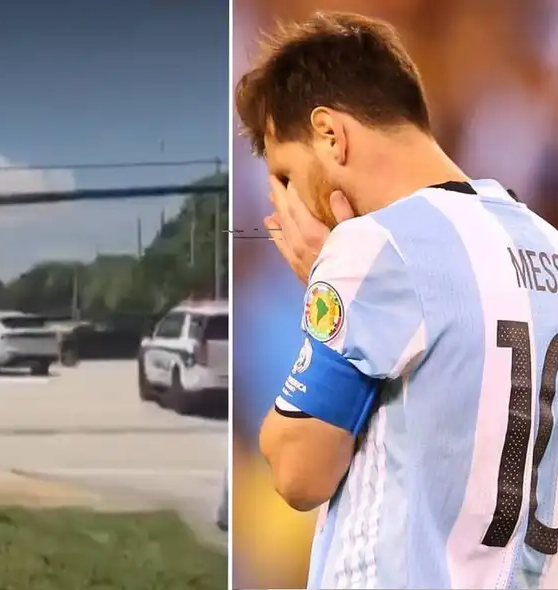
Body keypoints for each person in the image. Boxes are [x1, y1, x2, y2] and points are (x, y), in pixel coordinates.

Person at [234, 10, 558, 589]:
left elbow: (296, 473)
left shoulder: (371, 247)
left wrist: (327, 287)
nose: (283, 207)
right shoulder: (547, 245)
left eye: (285, 175)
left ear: (331, 135)